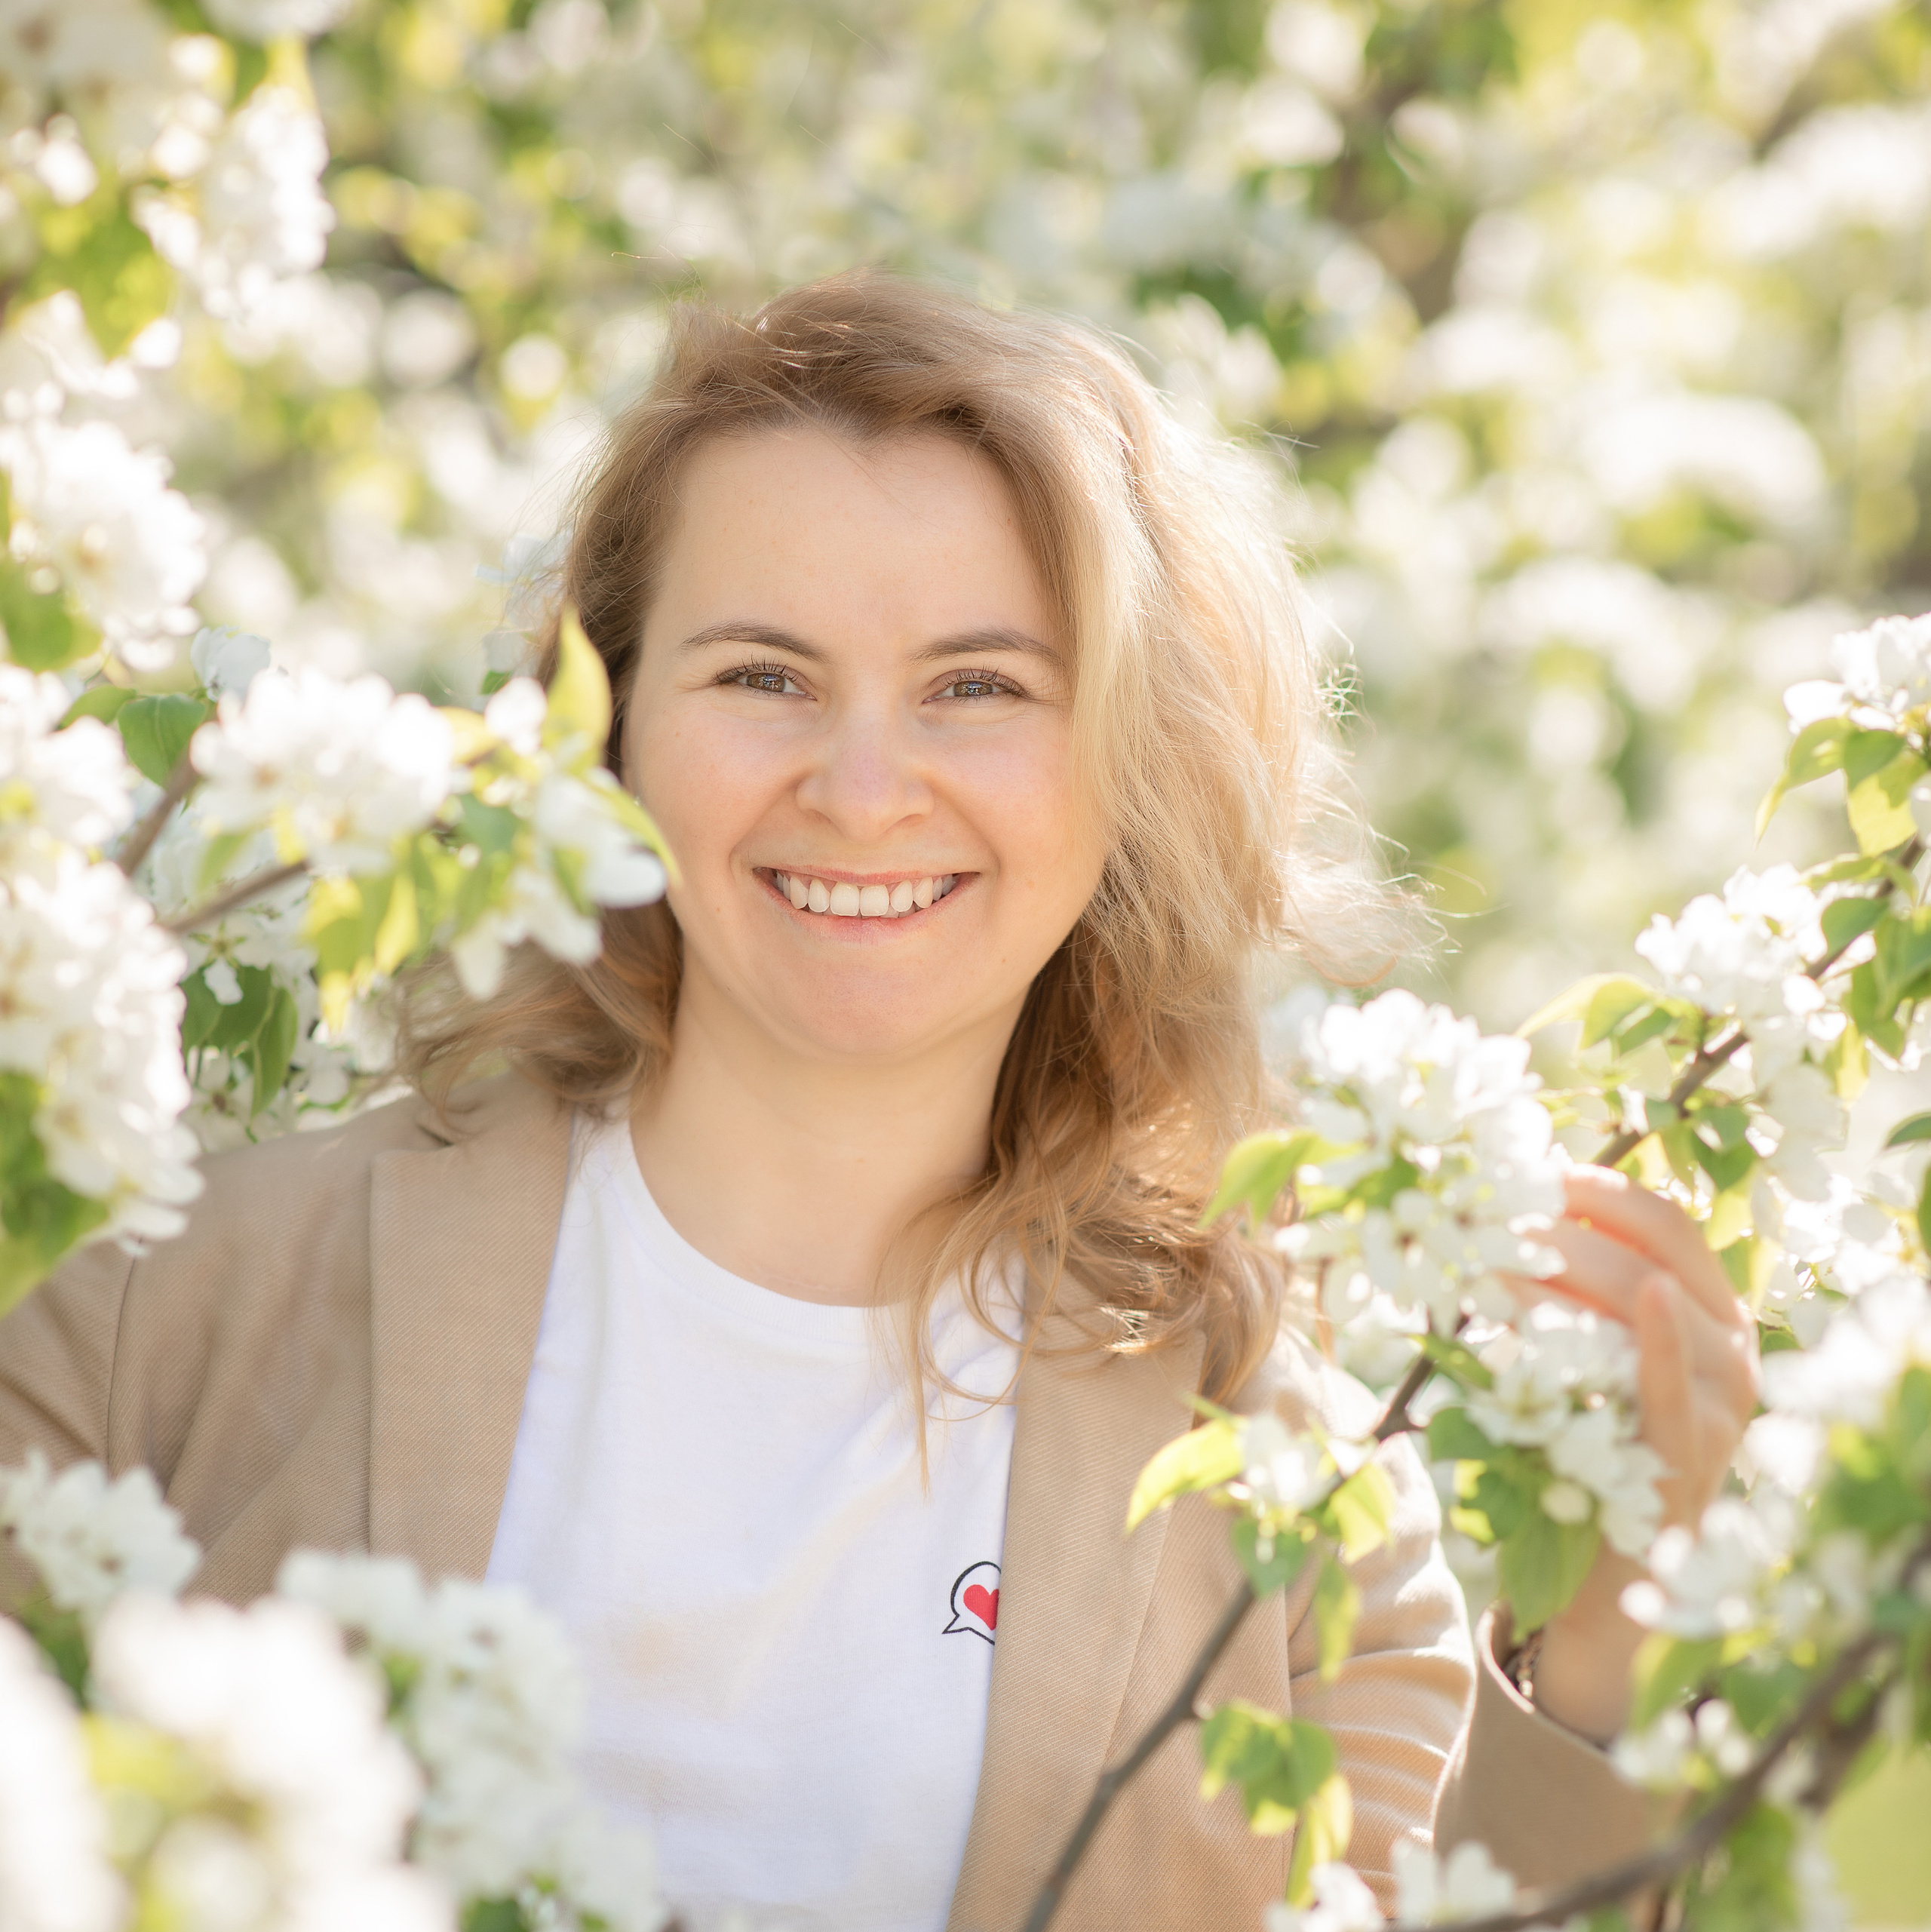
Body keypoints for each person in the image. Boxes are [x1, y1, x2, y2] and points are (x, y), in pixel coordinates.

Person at [0, 275, 1758, 1932]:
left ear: (1125, 767)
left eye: (975, 687)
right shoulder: (162, 1308)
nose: (858, 790)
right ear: (596, 735)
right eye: (759, 675)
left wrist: (1608, 1652)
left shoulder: (1292, 1504)